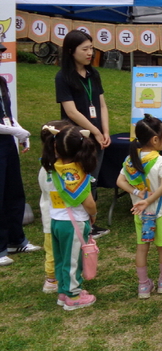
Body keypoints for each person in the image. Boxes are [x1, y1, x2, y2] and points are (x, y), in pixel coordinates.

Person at [55, 30, 111, 238]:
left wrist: (105, 131)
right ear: (71, 51)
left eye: (91, 48)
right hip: (77, 137)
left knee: (92, 177)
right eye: (85, 49)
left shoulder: (93, 74)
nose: (90, 53)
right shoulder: (63, 77)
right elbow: (71, 111)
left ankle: (90, 222)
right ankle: (79, 220)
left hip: (96, 135)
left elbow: (102, 105)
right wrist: (95, 131)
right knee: (79, 177)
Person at [116, 114, 162, 299]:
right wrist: (150, 200)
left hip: (140, 213)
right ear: (155, 139)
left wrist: (138, 194)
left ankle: (143, 286)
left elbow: (120, 181)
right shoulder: (161, 161)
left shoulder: (130, 160)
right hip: (160, 212)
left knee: (141, 248)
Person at [41, 123, 99, 310]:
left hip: (56, 221)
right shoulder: (77, 175)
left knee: (61, 259)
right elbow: (88, 203)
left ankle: (63, 291)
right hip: (74, 223)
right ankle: (73, 295)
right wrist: (94, 214)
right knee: (73, 260)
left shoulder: (52, 169)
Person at [0, 39, 39, 266]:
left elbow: (8, 114)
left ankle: (17, 240)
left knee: (14, 191)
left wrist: (20, 132)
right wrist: (16, 131)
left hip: (7, 143)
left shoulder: (2, 81)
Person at [38, 119, 71, 292]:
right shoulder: (59, 170)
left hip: (50, 218)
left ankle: (53, 278)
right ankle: (53, 280)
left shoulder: (45, 166)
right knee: (60, 251)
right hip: (61, 219)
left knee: (52, 250)